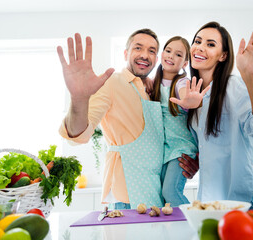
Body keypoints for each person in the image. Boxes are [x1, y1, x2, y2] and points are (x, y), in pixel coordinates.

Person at [57, 29, 196, 209]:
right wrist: (78, 99)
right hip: (126, 192)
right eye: (138, 48)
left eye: (152, 51)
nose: (145, 55)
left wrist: (190, 162)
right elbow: (79, 134)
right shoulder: (112, 83)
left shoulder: (154, 89)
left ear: (157, 58)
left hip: (154, 190)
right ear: (125, 53)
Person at [170, 22, 253, 202]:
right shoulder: (191, 95)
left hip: (241, 202)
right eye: (197, 41)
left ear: (223, 56)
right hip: (208, 203)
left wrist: (250, 74)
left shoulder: (233, 86)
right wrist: (198, 162)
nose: (200, 47)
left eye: (210, 44)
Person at [149, 36, 210, 207]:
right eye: (168, 51)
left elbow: (185, 93)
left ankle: (197, 222)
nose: (170, 56)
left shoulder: (181, 82)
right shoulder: (153, 84)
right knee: (161, 195)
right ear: (162, 54)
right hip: (166, 149)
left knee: (170, 191)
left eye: (178, 54)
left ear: (184, 63)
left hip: (182, 148)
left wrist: (189, 101)